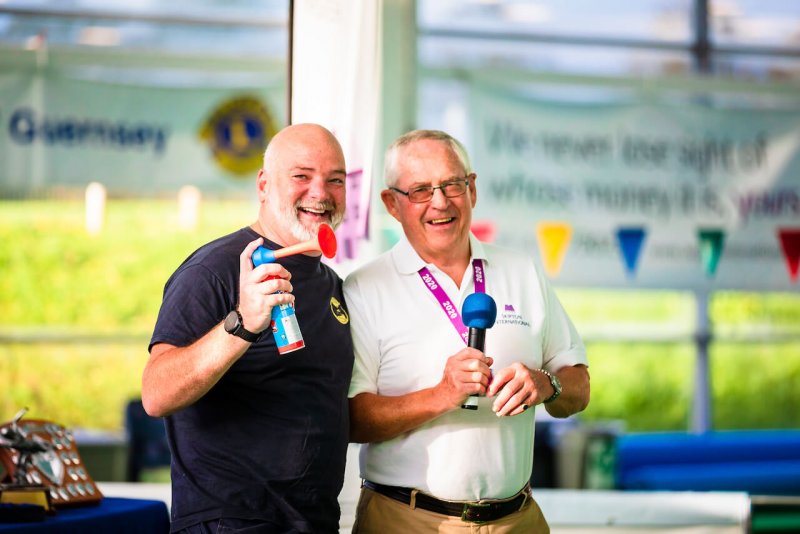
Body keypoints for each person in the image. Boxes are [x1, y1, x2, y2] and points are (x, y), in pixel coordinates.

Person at [344, 129, 590, 533]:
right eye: (420, 190)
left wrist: (546, 385)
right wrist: (442, 394)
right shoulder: (365, 287)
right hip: (406, 519)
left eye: (451, 185)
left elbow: (579, 386)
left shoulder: (521, 270)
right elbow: (352, 420)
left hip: (517, 518)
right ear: (392, 203)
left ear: (472, 189)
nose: (440, 202)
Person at [142, 123, 354, 534]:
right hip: (229, 522)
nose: (321, 193)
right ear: (263, 184)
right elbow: (156, 393)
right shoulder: (214, 270)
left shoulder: (331, 284)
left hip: (316, 522)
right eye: (301, 176)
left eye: (335, 180)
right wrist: (240, 325)